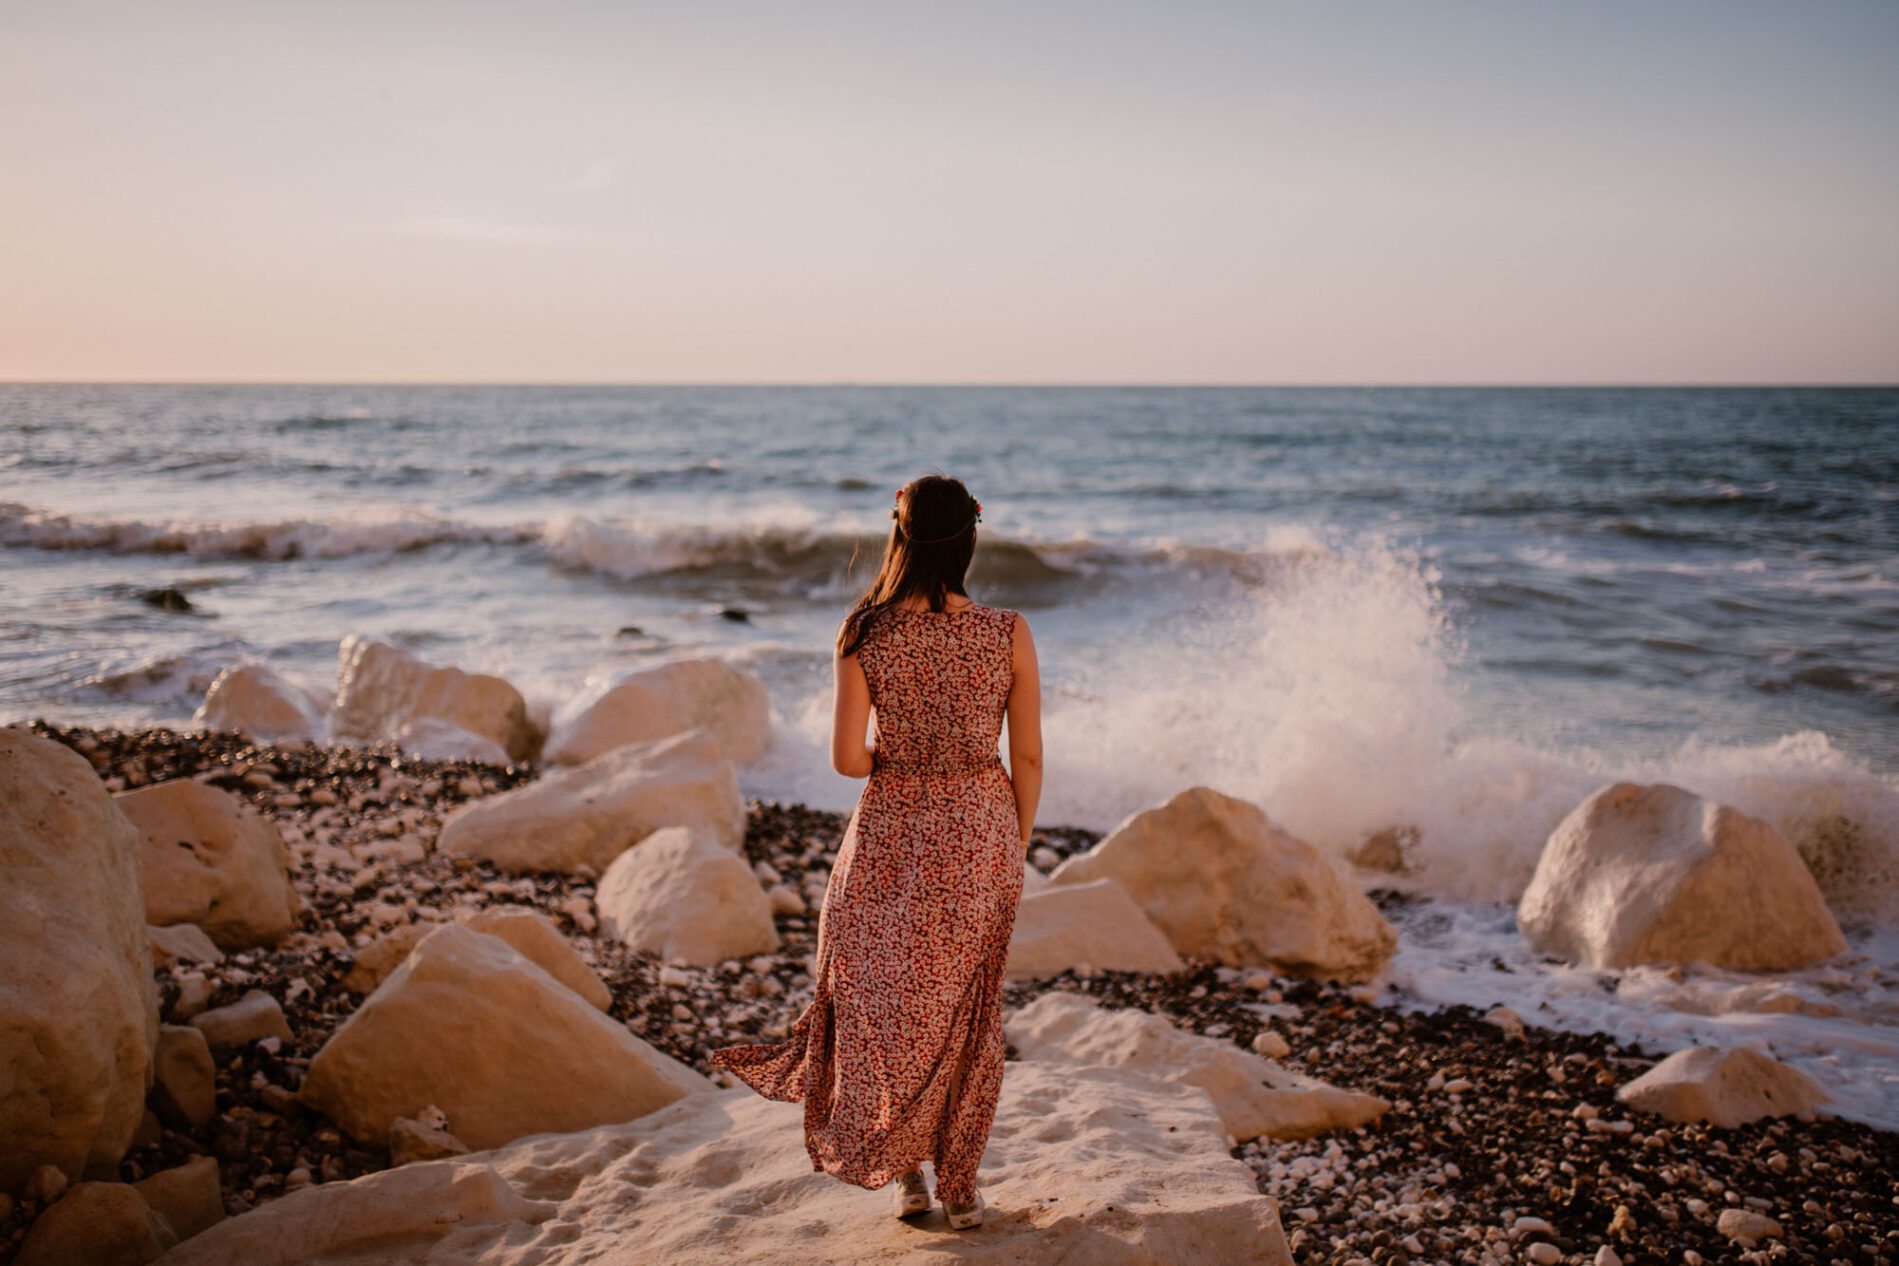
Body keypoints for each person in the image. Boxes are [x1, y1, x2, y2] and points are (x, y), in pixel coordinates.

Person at [710, 473, 1042, 1231]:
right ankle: (960, 1185)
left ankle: (907, 1177)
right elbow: (1027, 760)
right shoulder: (1006, 630)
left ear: (899, 530)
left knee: (885, 1003)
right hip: (981, 829)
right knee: (965, 1009)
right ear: (970, 536)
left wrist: (904, 748)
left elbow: (846, 762)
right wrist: (1010, 843)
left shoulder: (862, 630)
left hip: (890, 828)